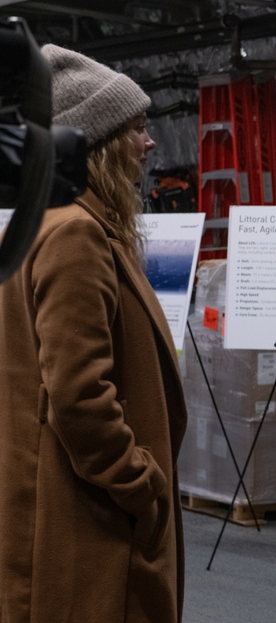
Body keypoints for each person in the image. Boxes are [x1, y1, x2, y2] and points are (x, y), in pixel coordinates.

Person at [0, 45, 187, 621]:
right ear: (97, 143)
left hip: (54, 500)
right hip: (85, 516)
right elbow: (80, 396)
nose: (150, 142)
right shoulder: (75, 234)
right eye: (136, 128)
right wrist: (140, 486)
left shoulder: (45, 220)